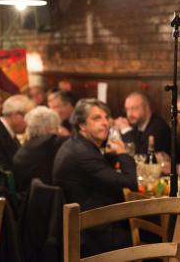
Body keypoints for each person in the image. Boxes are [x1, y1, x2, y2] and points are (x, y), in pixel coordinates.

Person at [52, 98, 137, 257]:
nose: (105, 123)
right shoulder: (83, 154)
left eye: (106, 117)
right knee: (151, 233)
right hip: (91, 234)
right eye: (97, 118)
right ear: (82, 125)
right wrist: (122, 153)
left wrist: (112, 157)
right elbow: (131, 183)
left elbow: (99, 175)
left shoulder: (78, 144)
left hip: (85, 223)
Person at [12, 106, 65, 192]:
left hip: (28, 197)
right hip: (48, 199)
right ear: (49, 129)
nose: (59, 131)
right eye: (57, 128)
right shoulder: (52, 141)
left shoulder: (26, 147)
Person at [113, 92, 171, 156]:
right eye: (127, 109)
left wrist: (126, 130)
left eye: (134, 108)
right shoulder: (137, 125)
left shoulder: (158, 128)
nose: (129, 114)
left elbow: (140, 156)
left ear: (146, 108)